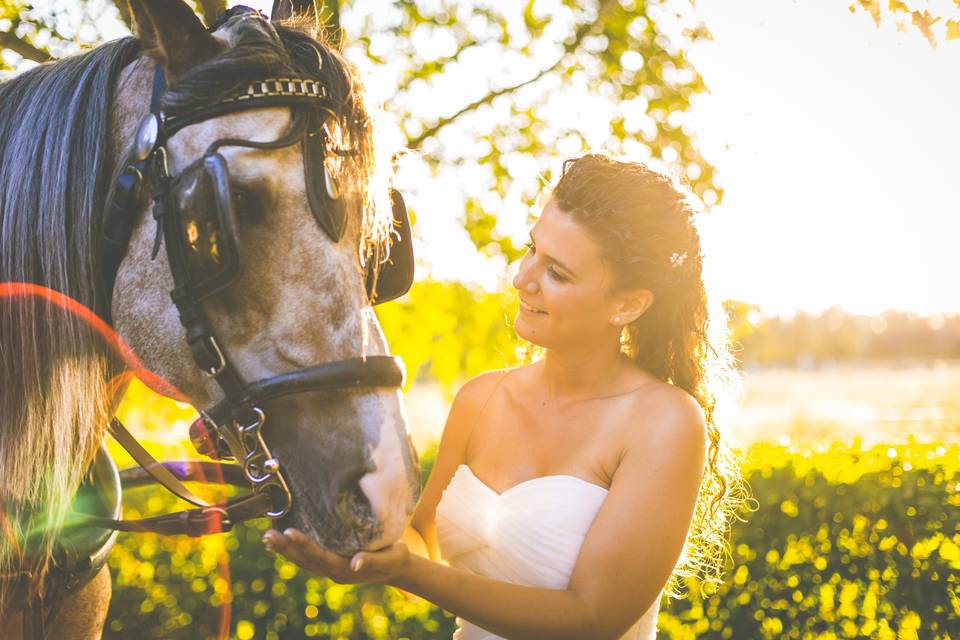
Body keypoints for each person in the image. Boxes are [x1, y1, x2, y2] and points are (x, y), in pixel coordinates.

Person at [263, 154, 749, 639]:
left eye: (557, 272)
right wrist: (354, 545)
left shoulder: (664, 421)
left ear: (628, 304)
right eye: (531, 248)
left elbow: (592, 619)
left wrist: (403, 570)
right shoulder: (481, 399)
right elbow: (423, 546)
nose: (522, 278)